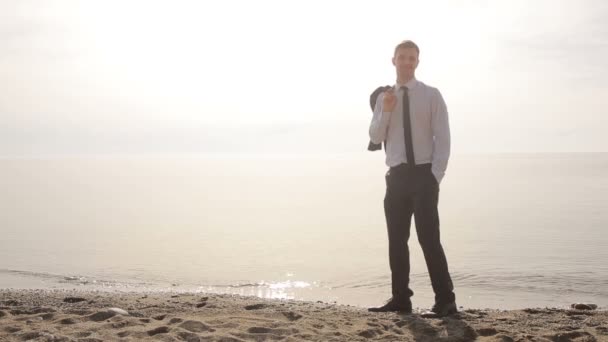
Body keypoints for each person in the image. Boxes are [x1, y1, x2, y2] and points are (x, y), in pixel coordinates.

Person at [367, 40, 457, 316]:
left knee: (429, 239)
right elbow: (375, 136)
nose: (407, 62)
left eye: (412, 58)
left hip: (424, 175)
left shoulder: (432, 95)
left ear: (418, 62)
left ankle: (446, 301)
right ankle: (400, 299)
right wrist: (387, 110)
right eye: (402, 57)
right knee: (396, 239)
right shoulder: (384, 97)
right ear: (393, 60)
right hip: (396, 176)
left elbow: (442, 137)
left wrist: (435, 176)